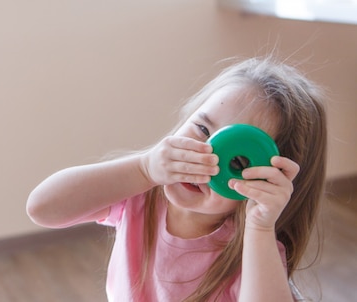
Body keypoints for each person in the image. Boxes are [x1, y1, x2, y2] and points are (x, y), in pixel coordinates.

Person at [26, 57, 327, 301]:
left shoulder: (254, 251)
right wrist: (144, 168)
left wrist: (260, 228)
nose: (205, 158)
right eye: (202, 130)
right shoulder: (140, 194)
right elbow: (42, 207)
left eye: (236, 160)